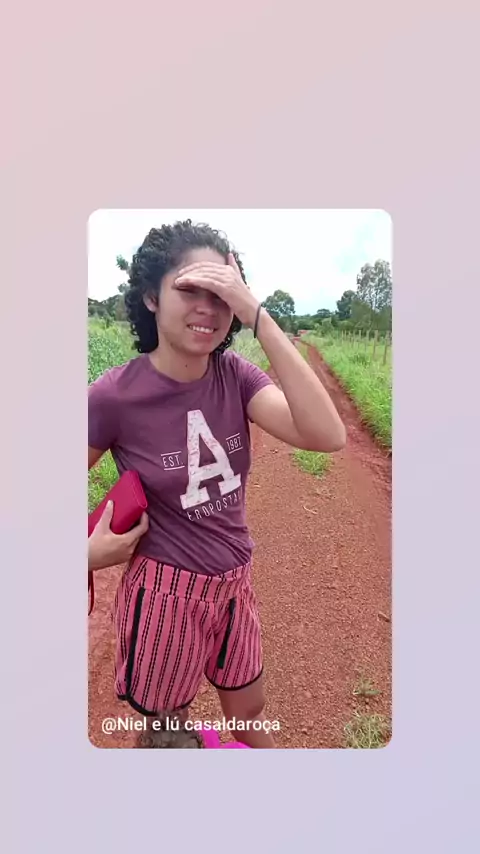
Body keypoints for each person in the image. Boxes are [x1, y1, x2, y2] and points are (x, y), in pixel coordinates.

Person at [88, 220, 346, 748]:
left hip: (234, 583)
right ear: (151, 297)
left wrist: (257, 314)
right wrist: (83, 555)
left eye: (221, 294)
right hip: (164, 595)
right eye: (190, 289)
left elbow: (327, 434)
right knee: (167, 732)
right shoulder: (114, 396)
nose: (208, 307)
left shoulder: (236, 377)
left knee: (250, 714)